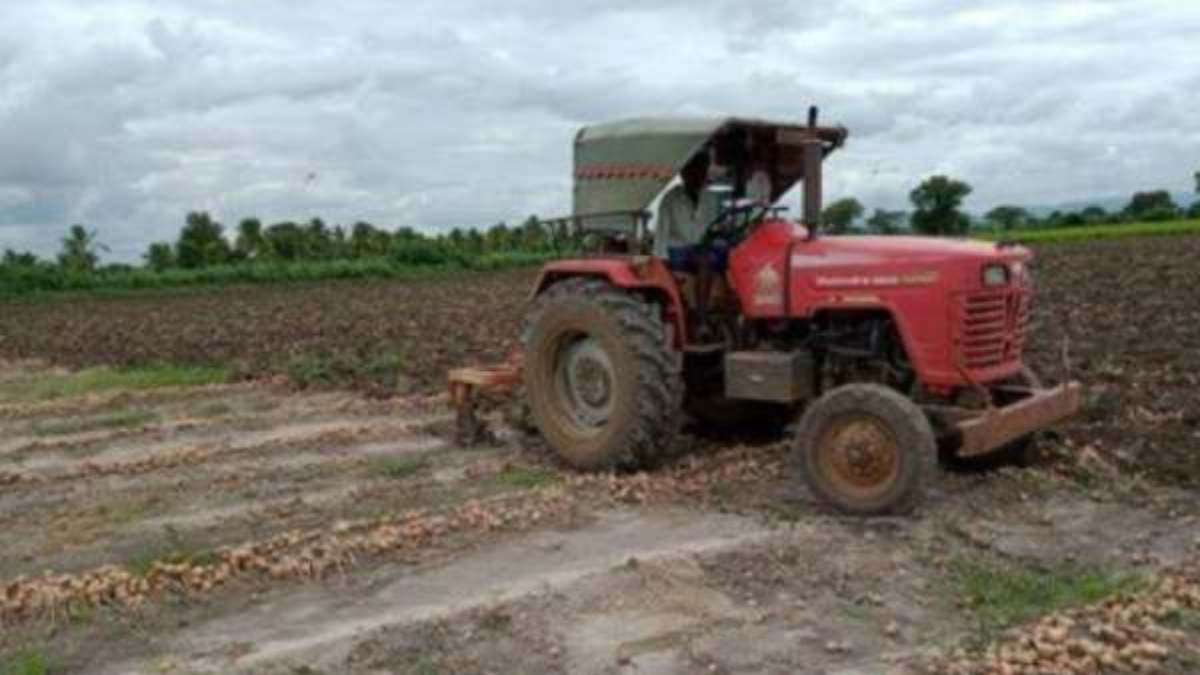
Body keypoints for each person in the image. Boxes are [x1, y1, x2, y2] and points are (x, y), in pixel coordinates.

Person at [657, 152, 721, 340]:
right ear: (684, 172)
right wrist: (662, 262)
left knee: (730, 254)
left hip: (704, 247)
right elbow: (662, 231)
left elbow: (716, 226)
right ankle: (702, 321)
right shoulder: (671, 198)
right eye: (693, 170)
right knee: (704, 259)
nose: (698, 174)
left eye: (702, 169)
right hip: (678, 250)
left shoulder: (710, 198)